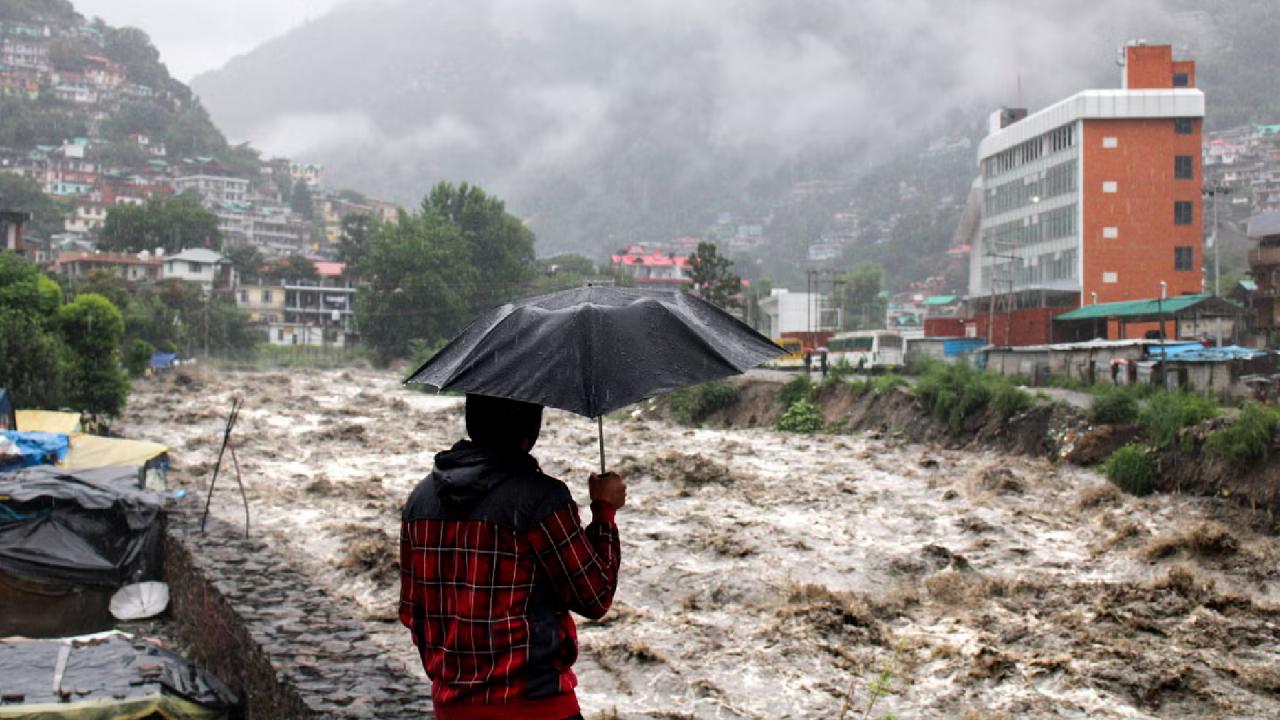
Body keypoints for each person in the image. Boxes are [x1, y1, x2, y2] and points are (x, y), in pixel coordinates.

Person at [400, 393, 625, 720]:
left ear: (471, 418)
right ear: (531, 427)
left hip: (453, 707)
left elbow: (411, 611)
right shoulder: (541, 500)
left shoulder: (419, 501)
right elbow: (595, 595)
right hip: (536, 706)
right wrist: (604, 512)